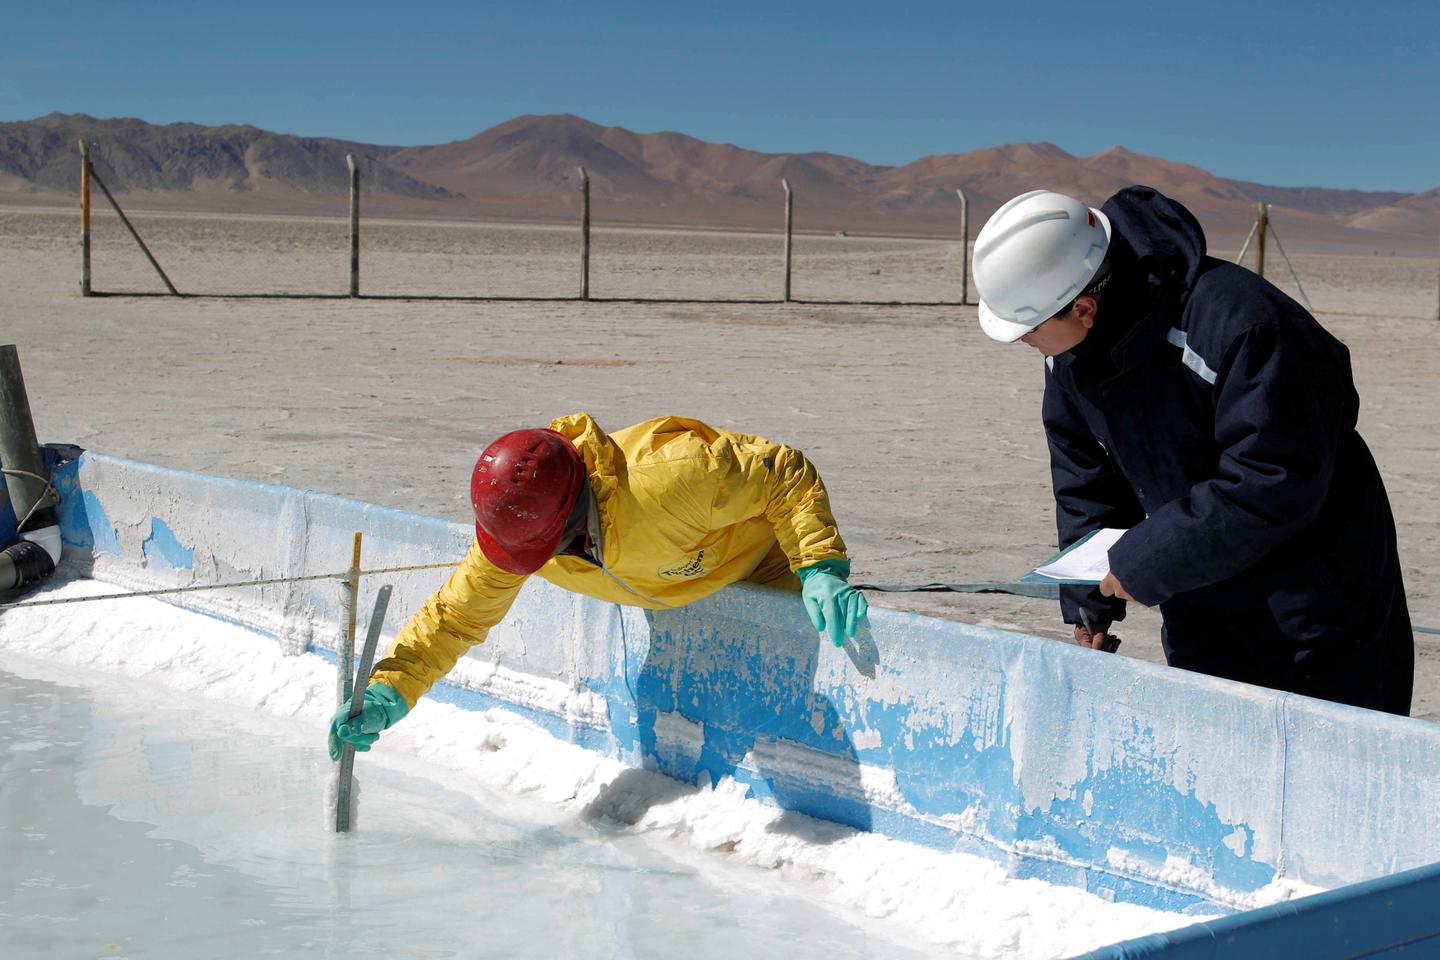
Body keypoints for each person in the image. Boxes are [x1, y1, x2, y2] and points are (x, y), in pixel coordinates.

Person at [971, 185, 1413, 715]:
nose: (1023, 342)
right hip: (1198, 594)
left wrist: (1146, 559)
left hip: (1316, 608)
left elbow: (1273, 480)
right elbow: (1084, 474)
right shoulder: (1069, 355)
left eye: (1027, 330)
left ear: (1085, 307)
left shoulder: (1247, 329)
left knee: (1335, 773)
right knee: (1220, 755)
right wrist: (1089, 601)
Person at [328, 412, 869, 757]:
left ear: (569, 521)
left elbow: (784, 474)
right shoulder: (520, 533)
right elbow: (456, 617)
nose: (531, 564)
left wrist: (819, 566)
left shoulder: (672, 477)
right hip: (672, 575)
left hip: (764, 566)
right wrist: (388, 691)